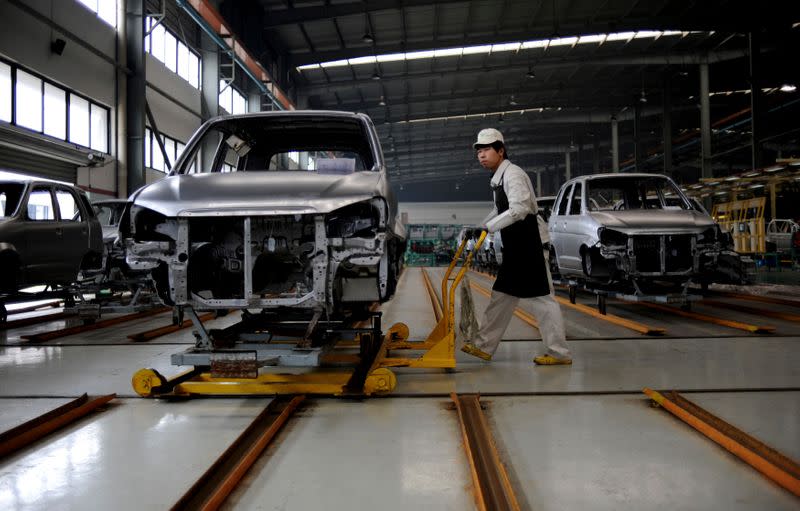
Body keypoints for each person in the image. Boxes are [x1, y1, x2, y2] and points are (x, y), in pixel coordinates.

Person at [461, 128, 572, 365]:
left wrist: (489, 229)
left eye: (487, 149)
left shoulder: (513, 175)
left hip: (529, 244)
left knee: (542, 299)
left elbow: (520, 209)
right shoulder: (498, 179)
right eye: (479, 151)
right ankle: (483, 346)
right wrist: (480, 226)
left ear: (501, 151)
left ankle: (558, 353)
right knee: (501, 296)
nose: (481, 155)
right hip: (516, 247)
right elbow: (499, 211)